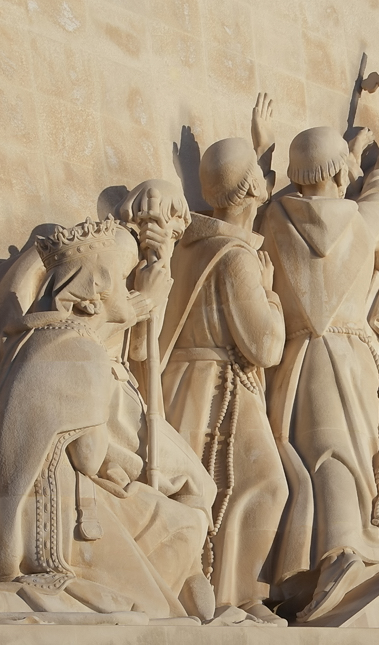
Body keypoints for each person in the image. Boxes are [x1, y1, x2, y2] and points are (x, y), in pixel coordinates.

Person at [0, 217, 219, 621]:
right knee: (179, 540)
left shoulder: (32, 340)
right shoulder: (80, 349)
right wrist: (132, 469)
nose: (131, 291)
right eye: (124, 281)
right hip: (57, 525)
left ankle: (183, 593)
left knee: (177, 517)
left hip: (28, 516)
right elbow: (90, 457)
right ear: (93, 296)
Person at [263, 127, 379, 622]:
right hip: (350, 353)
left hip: (297, 361)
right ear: (340, 173)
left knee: (321, 456)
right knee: (373, 446)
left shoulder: (276, 218)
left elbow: (277, 200)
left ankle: (318, 564)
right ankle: (345, 549)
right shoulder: (359, 219)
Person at [158, 135, 289, 625]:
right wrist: (273, 295)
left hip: (183, 381)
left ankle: (225, 593)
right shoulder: (235, 258)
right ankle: (237, 596)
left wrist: (261, 143)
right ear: (254, 187)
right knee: (265, 484)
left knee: (215, 492)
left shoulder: (192, 246)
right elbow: (265, 346)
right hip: (222, 385)